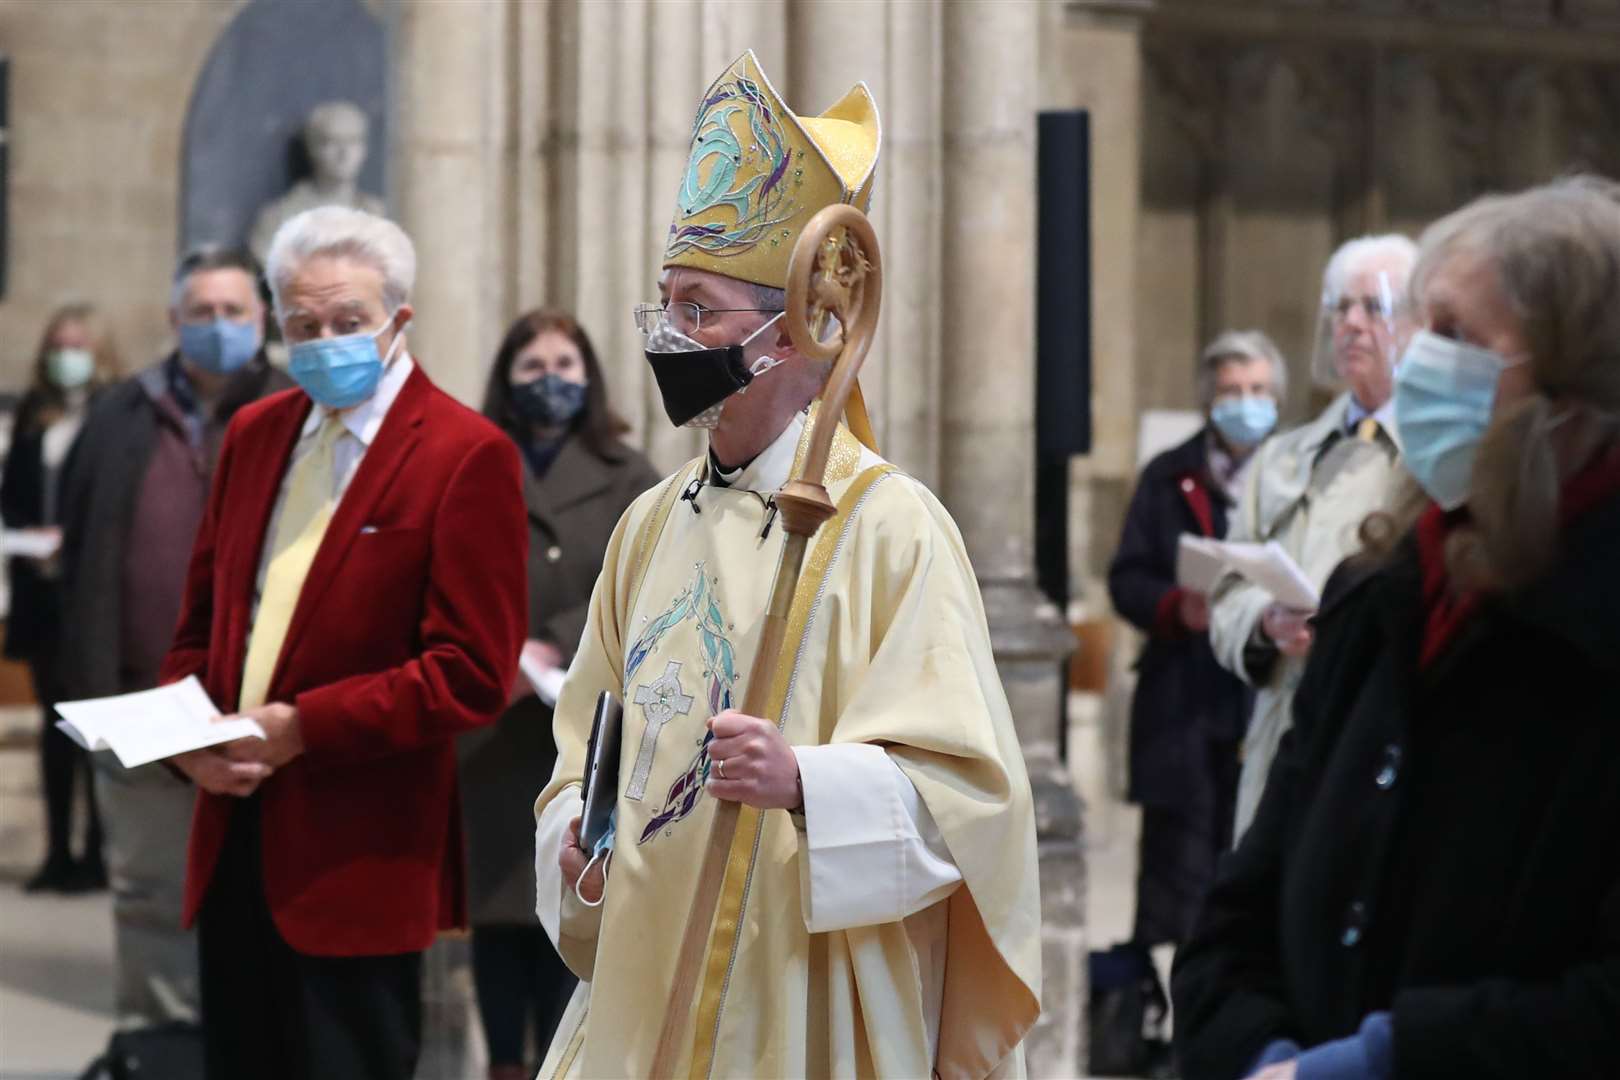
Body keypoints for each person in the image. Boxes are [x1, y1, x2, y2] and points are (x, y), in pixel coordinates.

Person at [532, 50, 1041, 1079]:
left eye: (701, 310)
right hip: (635, 993)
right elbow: (582, 747)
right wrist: (570, 850)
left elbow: (975, 803)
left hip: (801, 1003)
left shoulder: (891, 528)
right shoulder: (647, 525)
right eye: (665, 304)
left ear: (799, 327)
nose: (671, 336)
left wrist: (807, 781)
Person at [1173, 177, 1620, 1080]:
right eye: (1422, 327)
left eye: (1456, 337)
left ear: (1579, 387)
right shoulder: (1380, 602)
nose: (1417, 364)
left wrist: (1379, 1063)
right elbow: (1234, 917)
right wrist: (1259, 1051)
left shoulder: (1592, 632)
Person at [156, 207, 527, 1080]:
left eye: (347, 322)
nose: (323, 341)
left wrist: (302, 726)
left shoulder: (465, 455)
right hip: (234, 836)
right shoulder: (256, 434)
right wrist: (187, 743)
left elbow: (470, 674)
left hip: (358, 854)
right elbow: (200, 631)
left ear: (398, 320)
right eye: (302, 325)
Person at [54, 247, 291, 1027]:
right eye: (203, 314)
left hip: (265, 718)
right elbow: (83, 554)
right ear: (173, 321)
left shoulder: (295, 408)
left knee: (269, 914)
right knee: (152, 907)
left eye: (234, 313)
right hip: (141, 706)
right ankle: (160, 1057)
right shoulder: (122, 412)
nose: (218, 327)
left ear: (262, 321)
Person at [457, 309, 657, 1079]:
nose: (551, 381)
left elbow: (642, 577)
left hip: (583, 721)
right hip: (490, 722)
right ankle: (505, 1063)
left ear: (591, 377)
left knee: (570, 892)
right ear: (507, 378)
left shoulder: (629, 472)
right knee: (498, 915)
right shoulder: (474, 462)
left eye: (566, 366)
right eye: (533, 366)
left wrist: (562, 636)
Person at [1093, 330, 1283, 1072]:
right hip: (1186, 709)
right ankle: (1173, 1035)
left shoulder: (1292, 470)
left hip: (1260, 702)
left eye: (1260, 391)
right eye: (1234, 391)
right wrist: (1180, 607)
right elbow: (1127, 578)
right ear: (1210, 398)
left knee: (1255, 879)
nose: (1247, 405)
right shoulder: (1169, 476)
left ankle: (1247, 1035)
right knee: (1178, 887)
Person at [1209, 234, 1416, 842]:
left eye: (1373, 308)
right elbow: (1226, 590)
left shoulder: (1442, 460)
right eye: (1341, 308)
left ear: (1418, 322)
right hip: (1282, 740)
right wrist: (1265, 623)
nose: (1350, 324)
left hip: (1380, 738)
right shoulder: (1281, 457)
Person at [1, 302, 119, 893]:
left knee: (93, 724)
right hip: (39, 588)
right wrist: (26, 535)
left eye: (77, 344)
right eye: (58, 345)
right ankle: (57, 852)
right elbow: (13, 492)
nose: (66, 356)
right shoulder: (32, 413)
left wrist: (76, 539)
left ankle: (100, 852)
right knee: (53, 725)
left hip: (90, 591)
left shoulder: (115, 414)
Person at [249, 101, 386, 263]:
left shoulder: (380, 215)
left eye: (353, 141)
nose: (344, 153)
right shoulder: (278, 218)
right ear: (312, 148)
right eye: (332, 142)